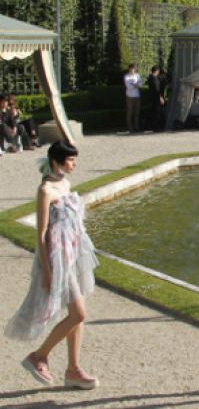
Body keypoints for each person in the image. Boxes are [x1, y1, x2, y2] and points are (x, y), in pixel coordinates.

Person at [5, 141, 99, 389]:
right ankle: (39, 356)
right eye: (70, 160)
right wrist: (47, 271)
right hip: (58, 258)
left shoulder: (65, 184)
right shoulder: (45, 190)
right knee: (79, 313)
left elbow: (68, 134)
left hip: (75, 251)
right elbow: (41, 234)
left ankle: (73, 370)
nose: (74, 164)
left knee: (77, 317)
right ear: (57, 161)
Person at [123, 63, 142, 133]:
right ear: (129, 69)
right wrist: (136, 85)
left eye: (134, 69)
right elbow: (129, 87)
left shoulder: (138, 75)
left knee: (137, 112)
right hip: (129, 96)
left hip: (137, 96)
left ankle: (136, 127)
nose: (133, 70)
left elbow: (140, 84)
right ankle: (130, 128)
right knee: (130, 112)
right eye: (132, 69)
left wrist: (135, 85)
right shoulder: (126, 76)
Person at [147, 66, 166, 132]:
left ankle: (155, 127)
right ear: (157, 71)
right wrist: (160, 98)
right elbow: (156, 89)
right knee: (157, 113)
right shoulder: (154, 78)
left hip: (153, 98)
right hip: (156, 98)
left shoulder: (151, 78)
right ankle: (156, 127)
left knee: (155, 112)